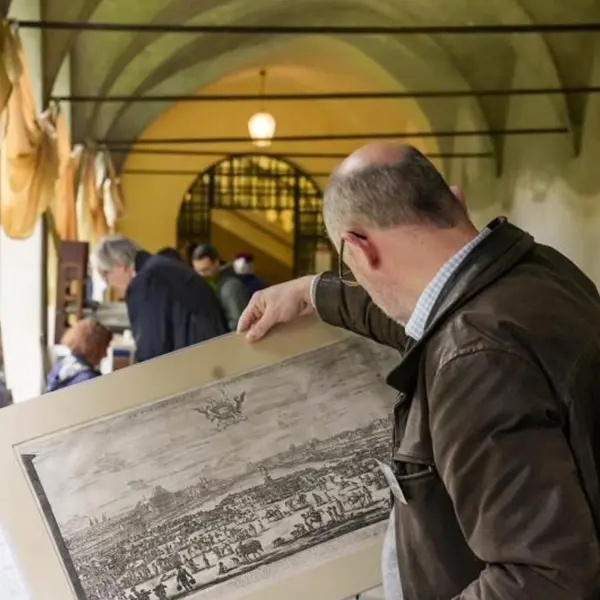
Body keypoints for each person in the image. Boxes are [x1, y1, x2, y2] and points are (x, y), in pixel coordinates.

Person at [238, 142, 600, 600]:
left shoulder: (473, 357)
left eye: (349, 264)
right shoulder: (534, 270)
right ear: (454, 200)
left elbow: (543, 577)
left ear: (358, 249)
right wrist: (312, 292)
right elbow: (423, 323)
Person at [92, 236, 227, 363]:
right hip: (213, 357)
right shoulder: (164, 265)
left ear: (119, 264)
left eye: (106, 276)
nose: (109, 285)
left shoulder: (145, 281)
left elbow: (152, 349)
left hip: (194, 367)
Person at [191, 243, 251, 330]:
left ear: (216, 262)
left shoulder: (231, 287)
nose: (202, 275)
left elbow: (239, 323)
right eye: (198, 271)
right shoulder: (213, 285)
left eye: (205, 269)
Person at [46, 318, 112, 392]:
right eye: (104, 347)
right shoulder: (90, 379)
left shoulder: (60, 365)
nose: (105, 355)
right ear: (94, 347)